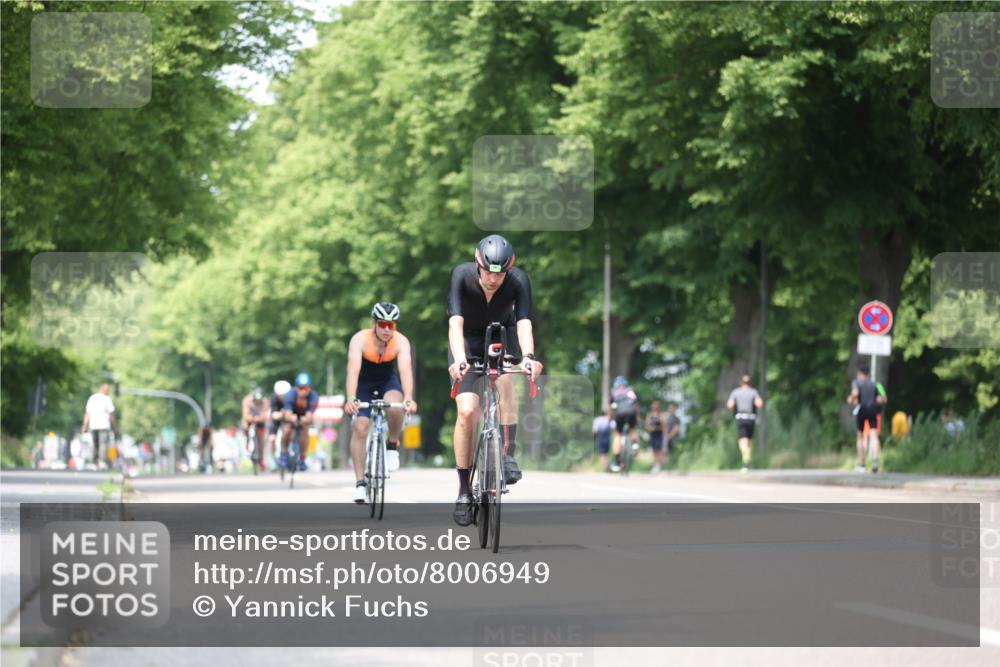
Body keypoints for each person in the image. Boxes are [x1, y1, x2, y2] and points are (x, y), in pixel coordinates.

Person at [447, 234, 543, 526]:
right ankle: (464, 491)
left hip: (503, 336)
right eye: (488, 272)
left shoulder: (518, 281)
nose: (493, 279)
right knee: (466, 412)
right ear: (478, 264)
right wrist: (460, 359)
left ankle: (508, 454)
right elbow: (455, 323)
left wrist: (528, 356)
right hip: (468, 343)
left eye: (499, 274)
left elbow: (525, 322)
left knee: (506, 381)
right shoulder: (462, 276)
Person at [344, 302, 418, 504]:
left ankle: (392, 445)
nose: (387, 330)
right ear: (374, 323)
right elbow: (352, 372)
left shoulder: (401, 342)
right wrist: (351, 398)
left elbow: (405, 372)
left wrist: (408, 397)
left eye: (391, 325)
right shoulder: (359, 340)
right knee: (360, 427)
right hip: (363, 383)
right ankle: (360, 484)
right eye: (383, 324)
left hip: (387, 381)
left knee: (395, 405)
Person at [847, 365, 886, 473]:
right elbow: (880, 399)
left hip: (862, 410)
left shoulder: (857, 382)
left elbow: (855, 393)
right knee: (874, 436)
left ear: (860, 374)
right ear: (868, 374)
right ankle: (875, 462)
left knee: (860, 436)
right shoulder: (874, 384)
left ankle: (862, 464)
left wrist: (851, 399)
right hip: (873, 410)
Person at [281, 373, 318, 471]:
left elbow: (309, 416)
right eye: (300, 388)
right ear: (296, 388)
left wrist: (304, 420)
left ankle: (302, 458)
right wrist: (292, 418)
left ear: (309, 388)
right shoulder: (290, 395)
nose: (303, 391)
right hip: (292, 415)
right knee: (287, 429)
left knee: (305, 430)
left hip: (304, 416)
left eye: (306, 389)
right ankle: (284, 452)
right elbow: (288, 414)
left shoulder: (313, 396)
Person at [726, 374, 764, 472]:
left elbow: (730, 405)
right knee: (749, 440)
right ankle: (747, 460)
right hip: (751, 418)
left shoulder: (736, 392)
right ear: (750, 383)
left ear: (741, 383)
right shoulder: (754, 392)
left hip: (741, 418)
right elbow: (759, 404)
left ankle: (745, 457)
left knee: (743, 440)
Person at [81, 383, 118, 468]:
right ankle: (101, 461)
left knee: (95, 444)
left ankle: (95, 462)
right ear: (104, 390)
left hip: (93, 425)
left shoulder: (92, 398)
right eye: (107, 390)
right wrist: (115, 427)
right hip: (104, 425)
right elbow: (111, 414)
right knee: (103, 444)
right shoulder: (107, 399)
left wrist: (85, 425)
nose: (108, 392)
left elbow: (87, 413)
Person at [609, 376, 640, 472]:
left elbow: (610, 407)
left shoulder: (614, 392)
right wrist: (637, 417)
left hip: (619, 413)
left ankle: (617, 461)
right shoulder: (630, 390)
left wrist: (610, 418)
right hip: (631, 412)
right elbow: (636, 405)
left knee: (618, 434)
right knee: (633, 428)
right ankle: (635, 444)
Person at [241, 386, 268, 472]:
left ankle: (261, 460)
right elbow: (245, 414)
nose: (257, 401)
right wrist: (252, 419)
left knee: (261, 440)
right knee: (245, 425)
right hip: (250, 419)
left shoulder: (265, 402)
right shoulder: (247, 400)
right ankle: (247, 441)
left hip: (260, 421)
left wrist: (260, 419)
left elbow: (265, 415)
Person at [267, 380, 291, 467]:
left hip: (287, 419)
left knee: (289, 432)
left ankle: (289, 452)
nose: (282, 397)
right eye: (281, 395)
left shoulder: (291, 398)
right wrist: (283, 414)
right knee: (272, 439)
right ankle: (274, 459)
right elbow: (274, 415)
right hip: (276, 420)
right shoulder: (273, 398)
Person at [646, 400, 665, 473]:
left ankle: (658, 465)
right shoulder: (650, 415)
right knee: (654, 450)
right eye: (653, 408)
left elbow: (664, 426)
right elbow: (647, 425)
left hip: (659, 434)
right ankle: (655, 464)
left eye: (656, 408)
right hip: (652, 434)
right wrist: (651, 428)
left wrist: (657, 427)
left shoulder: (661, 415)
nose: (654, 409)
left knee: (659, 450)